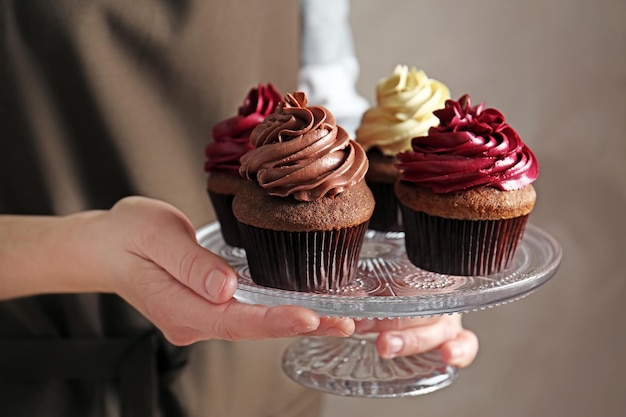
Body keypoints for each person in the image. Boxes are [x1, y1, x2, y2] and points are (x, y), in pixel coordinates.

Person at [0, 1, 478, 416]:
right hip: (47, 381)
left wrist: (413, 276)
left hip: (271, 377)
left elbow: (336, 127)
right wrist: (87, 249)